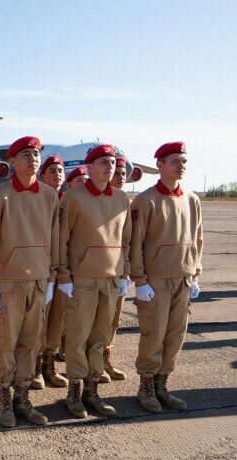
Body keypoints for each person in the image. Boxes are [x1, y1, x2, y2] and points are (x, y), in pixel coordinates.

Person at [0, 136, 58, 427]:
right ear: (12, 161)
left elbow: (55, 238)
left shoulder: (49, 195)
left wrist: (52, 277)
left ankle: (23, 398)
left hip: (39, 281)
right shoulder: (1, 196)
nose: (32, 159)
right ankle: (5, 399)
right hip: (9, 283)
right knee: (6, 343)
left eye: (36, 154)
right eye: (25, 155)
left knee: (31, 343)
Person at [57, 144, 131, 418]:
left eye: (112, 162)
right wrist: (64, 275)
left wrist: (124, 273)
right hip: (82, 279)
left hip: (111, 279)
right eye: (103, 162)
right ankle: (74, 393)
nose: (109, 167)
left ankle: (92, 391)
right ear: (89, 168)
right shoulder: (73, 197)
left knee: (100, 337)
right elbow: (62, 238)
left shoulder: (121, 199)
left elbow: (126, 240)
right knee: (78, 337)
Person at [131, 141, 203, 412]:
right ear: (159, 165)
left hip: (183, 278)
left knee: (175, 336)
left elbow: (198, 238)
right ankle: (146, 386)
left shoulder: (192, 199)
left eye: (183, 161)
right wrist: (140, 280)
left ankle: (162, 384)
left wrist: (195, 273)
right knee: (154, 334)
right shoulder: (146, 200)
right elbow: (135, 243)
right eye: (174, 161)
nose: (180, 166)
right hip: (156, 282)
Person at [35, 155, 69, 388]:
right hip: (41, 268)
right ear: (42, 176)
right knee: (38, 320)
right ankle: (34, 367)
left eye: (60, 170)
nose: (57, 174)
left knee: (57, 319)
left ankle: (49, 365)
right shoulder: (37, 200)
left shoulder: (69, 200)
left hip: (64, 269)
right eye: (52, 171)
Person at [54, 165, 90, 363]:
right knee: (57, 313)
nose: (84, 185)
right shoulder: (61, 201)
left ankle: (66, 347)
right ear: (70, 184)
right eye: (79, 181)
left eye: (86, 181)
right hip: (61, 265)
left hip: (81, 266)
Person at [102, 155, 130, 382]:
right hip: (95, 272)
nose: (120, 177)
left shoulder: (125, 202)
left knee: (114, 319)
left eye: (123, 174)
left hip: (118, 271)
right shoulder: (95, 201)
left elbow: (129, 240)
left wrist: (126, 273)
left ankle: (105, 358)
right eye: (117, 173)